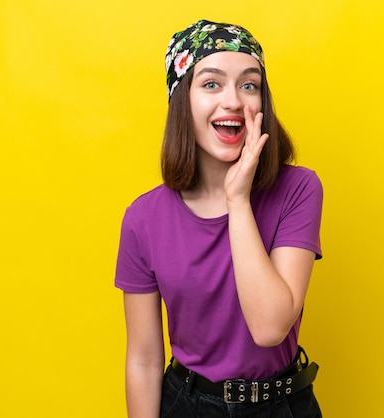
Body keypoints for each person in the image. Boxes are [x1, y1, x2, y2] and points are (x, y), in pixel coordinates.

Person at [115, 19, 324, 418]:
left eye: (249, 85)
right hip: (189, 405)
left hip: (282, 406)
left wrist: (238, 199)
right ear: (182, 101)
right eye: (211, 84)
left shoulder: (299, 189)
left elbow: (269, 327)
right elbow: (142, 360)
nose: (233, 101)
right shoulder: (143, 219)